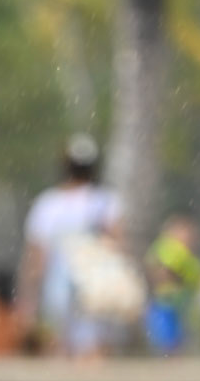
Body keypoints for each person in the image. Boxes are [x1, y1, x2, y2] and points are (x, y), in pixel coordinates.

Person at [19, 136, 129, 358]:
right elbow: (119, 245)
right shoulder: (105, 201)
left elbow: (36, 258)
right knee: (94, 347)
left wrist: (28, 300)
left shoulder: (48, 204)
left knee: (59, 346)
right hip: (94, 284)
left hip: (59, 285)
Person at [145, 214, 200, 355]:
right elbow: (161, 271)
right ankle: (168, 351)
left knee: (180, 330)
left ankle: (175, 351)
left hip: (182, 298)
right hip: (166, 297)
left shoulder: (186, 254)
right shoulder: (168, 249)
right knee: (166, 329)